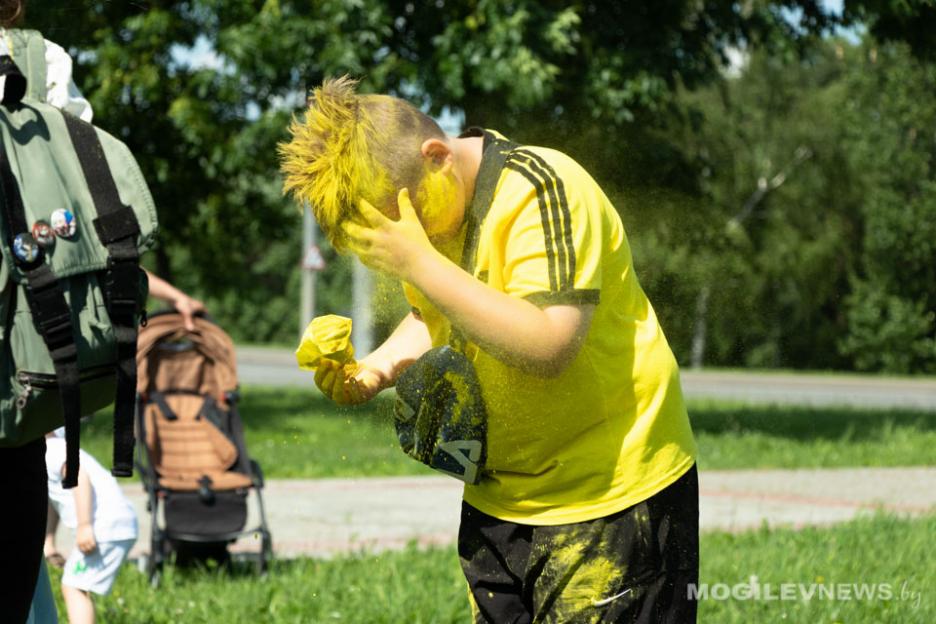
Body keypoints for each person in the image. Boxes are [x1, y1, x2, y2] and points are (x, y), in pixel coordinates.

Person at [279, 76, 700, 622]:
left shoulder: (542, 187)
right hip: (498, 505)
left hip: (612, 502)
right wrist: (374, 370)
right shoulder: (430, 219)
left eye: (405, 237)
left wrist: (417, 261)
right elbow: (435, 314)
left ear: (436, 158)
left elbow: (550, 343)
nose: (411, 248)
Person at [42, 430, 138, 624]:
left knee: (73, 586)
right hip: (116, 523)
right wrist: (49, 541)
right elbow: (53, 499)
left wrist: (85, 526)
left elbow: (78, 476)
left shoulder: (51, 450)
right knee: (78, 584)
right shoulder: (58, 449)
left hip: (104, 526)